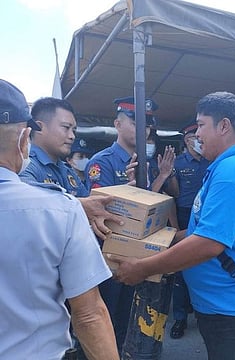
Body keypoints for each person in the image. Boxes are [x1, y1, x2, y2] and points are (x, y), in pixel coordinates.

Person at [111, 91, 235, 360]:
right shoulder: (222, 168)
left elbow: (209, 244)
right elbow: (203, 231)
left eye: (200, 125)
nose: (196, 134)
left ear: (223, 126)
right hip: (219, 307)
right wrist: (166, 238)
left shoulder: (232, 173)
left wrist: (142, 268)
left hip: (233, 311)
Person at [0, 79, 119, 359]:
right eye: (66, 128)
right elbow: (89, 315)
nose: (70, 135)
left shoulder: (64, 175)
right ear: (24, 137)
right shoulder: (58, 209)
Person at [84, 96, 175, 354]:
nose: (142, 130)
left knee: (127, 320)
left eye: (147, 126)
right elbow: (98, 213)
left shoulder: (143, 163)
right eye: (136, 123)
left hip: (135, 255)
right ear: (117, 123)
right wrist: (128, 191)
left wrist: (161, 179)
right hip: (108, 257)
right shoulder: (103, 162)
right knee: (105, 323)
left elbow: (146, 210)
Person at [19, 96, 124, 241]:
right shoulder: (26, 165)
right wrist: (77, 206)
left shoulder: (66, 170)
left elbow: (90, 202)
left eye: (74, 130)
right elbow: (27, 203)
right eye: (66, 128)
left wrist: (124, 192)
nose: (72, 136)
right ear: (40, 127)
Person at [165, 120, 210, 339]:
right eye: (195, 136)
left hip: (208, 217)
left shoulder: (212, 160)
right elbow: (172, 196)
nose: (200, 138)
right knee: (181, 270)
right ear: (187, 140)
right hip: (185, 216)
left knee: (206, 266)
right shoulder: (179, 163)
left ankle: (204, 315)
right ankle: (180, 319)